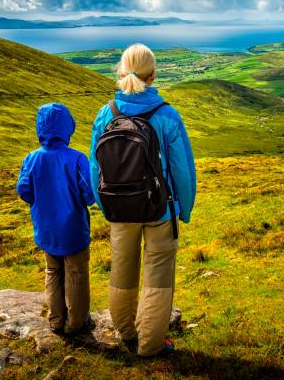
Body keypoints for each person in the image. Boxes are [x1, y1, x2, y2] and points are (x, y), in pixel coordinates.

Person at [89, 43, 196, 357]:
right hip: (159, 209)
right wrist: (183, 209)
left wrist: (104, 203)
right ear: (153, 74)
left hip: (118, 209)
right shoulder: (166, 114)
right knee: (158, 273)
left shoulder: (105, 113)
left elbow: (96, 166)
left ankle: (127, 333)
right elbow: (182, 169)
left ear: (122, 71)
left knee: (122, 271)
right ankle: (151, 345)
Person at [16, 102, 95, 336]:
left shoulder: (31, 159)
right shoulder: (77, 159)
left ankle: (56, 320)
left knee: (52, 272)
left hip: (46, 229)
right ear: (67, 127)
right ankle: (77, 323)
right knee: (76, 274)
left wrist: (41, 202)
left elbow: (24, 190)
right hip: (73, 230)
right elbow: (89, 195)